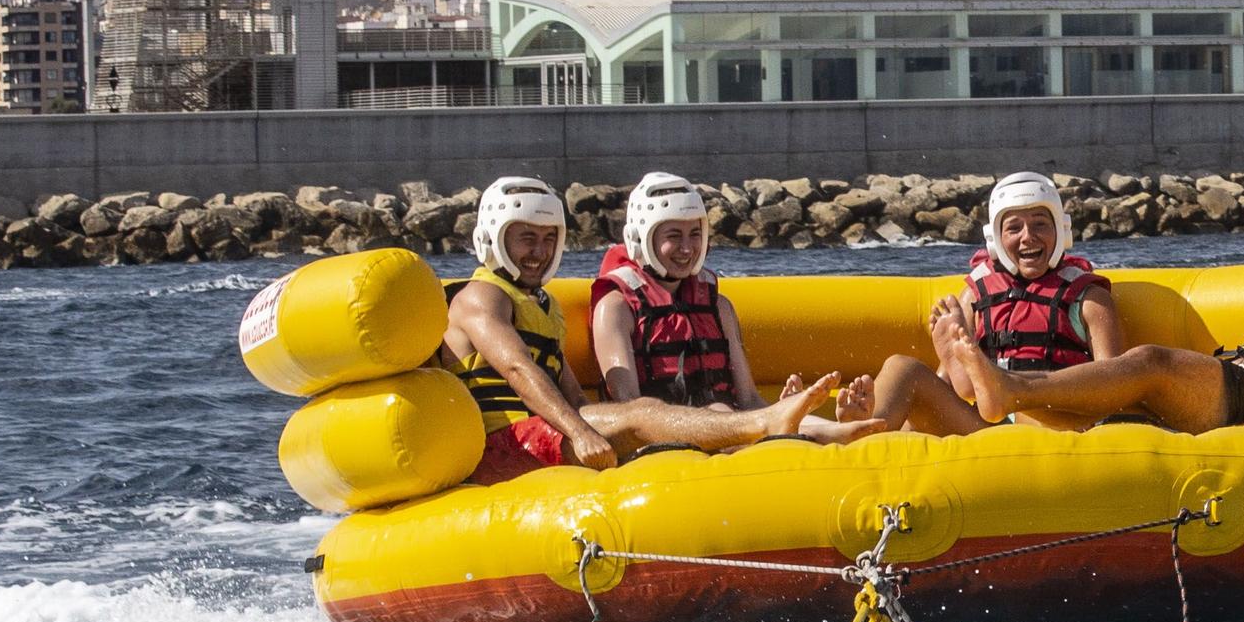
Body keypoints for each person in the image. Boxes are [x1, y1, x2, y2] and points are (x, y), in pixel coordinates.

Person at [437, 177, 844, 485]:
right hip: (500, 445)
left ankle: (785, 433)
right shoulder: (480, 296)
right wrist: (582, 432)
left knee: (642, 416)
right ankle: (763, 426)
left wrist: (599, 428)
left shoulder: (542, 306)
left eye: (549, 238)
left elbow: (574, 396)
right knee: (641, 414)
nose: (540, 252)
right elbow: (518, 371)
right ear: (493, 237)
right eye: (527, 238)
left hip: (544, 432)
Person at [937, 190, 1244, 435]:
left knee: (1151, 362)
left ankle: (1008, 388)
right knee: (1082, 420)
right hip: (1230, 382)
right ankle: (1001, 400)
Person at [589, 172, 884, 443]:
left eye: (695, 234)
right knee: (724, 411)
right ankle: (817, 434)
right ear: (640, 239)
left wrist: (783, 410)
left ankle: (827, 430)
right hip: (665, 442)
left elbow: (750, 399)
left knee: (736, 412)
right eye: (673, 236)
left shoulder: (718, 307)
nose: (688, 248)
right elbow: (629, 412)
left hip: (732, 427)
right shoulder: (616, 308)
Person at [845, 171, 1126, 435]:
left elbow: (1113, 383)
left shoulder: (1089, 298)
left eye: (1040, 223)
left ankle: (1006, 390)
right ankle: (866, 432)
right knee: (902, 368)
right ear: (996, 240)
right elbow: (947, 385)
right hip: (985, 427)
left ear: (1061, 230)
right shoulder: (975, 297)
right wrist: (947, 371)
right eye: (1014, 228)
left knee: (1030, 407)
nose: (1028, 236)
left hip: (1052, 423)